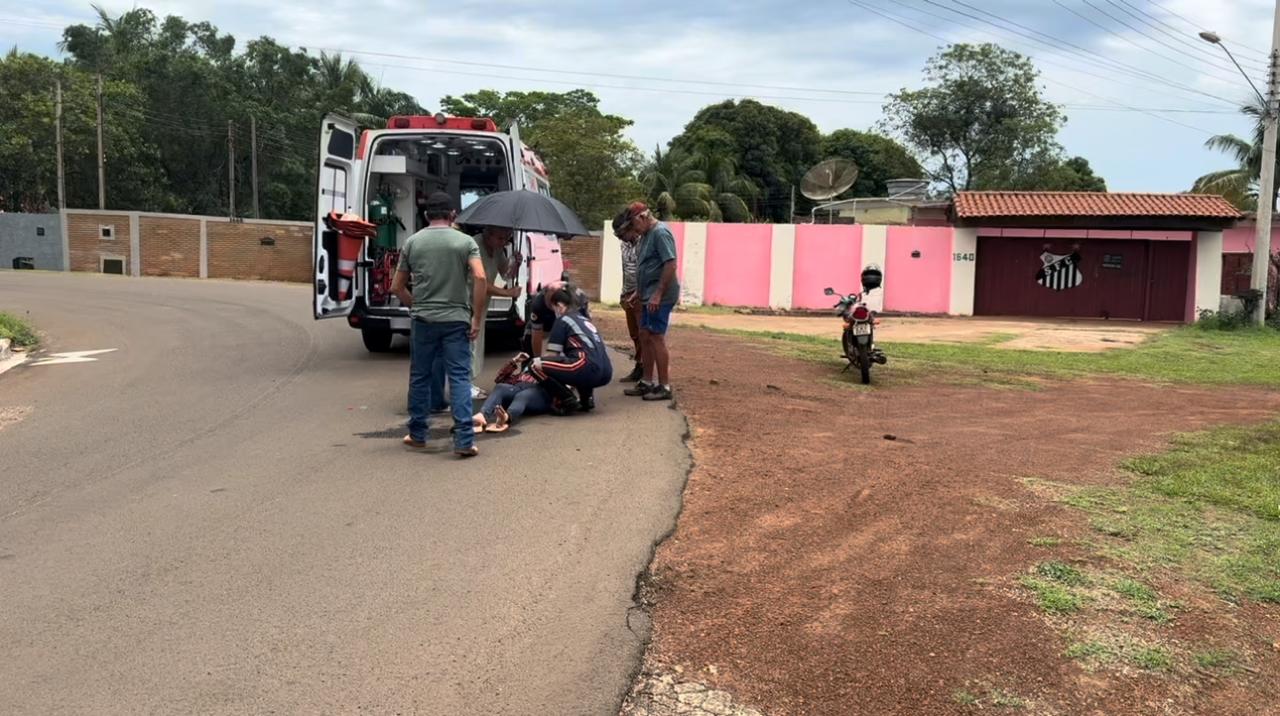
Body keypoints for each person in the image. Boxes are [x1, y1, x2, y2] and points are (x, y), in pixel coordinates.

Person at [391, 191, 488, 458]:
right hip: (456, 319)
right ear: (453, 214)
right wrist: (476, 317)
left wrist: (416, 305)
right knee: (459, 377)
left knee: (420, 376)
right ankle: (464, 439)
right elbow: (480, 277)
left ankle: (418, 434)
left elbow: (396, 287)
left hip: (424, 320)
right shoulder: (465, 242)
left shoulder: (412, 242)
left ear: (426, 215)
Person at [614, 202, 677, 402]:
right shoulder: (647, 235)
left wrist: (658, 294)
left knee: (656, 336)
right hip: (647, 293)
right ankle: (647, 381)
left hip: (660, 295)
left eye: (633, 225)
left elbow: (670, 264)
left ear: (642, 217)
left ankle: (664, 386)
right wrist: (639, 292)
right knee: (645, 335)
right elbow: (644, 267)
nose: (634, 230)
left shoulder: (660, 233)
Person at [529, 286, 613, 413]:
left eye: (554, 308)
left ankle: (567, 398)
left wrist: (534, 367)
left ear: (559, 305)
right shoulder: (583, 319)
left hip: (586, 367)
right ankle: (586, 399)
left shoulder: (563, 320)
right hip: (606, 372)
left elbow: (552, 355)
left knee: (534, 365)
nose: (554, 312)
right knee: (577, 358)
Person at [470, 225, 521, 398]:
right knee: (469, 343)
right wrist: (507, 293)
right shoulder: (474, 246)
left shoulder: (497, 249)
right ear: (488, 234)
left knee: (476, 343)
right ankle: (465, 385)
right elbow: (479, 281)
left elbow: (506, 274)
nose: (504, 242)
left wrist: (515, 264)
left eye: (507, 238)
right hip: (467, 302)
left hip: (481, 304)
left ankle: (468, 382)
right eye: (500, 238)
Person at [471, 353, 551, 433]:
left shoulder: (548, 375)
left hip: (538, 394)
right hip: (518, 388)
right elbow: (499, 379)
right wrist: (514, 361)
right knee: (500, 387)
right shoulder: (522, 375)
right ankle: (482, 415)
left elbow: (555, 387)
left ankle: (505, 417)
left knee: (524, 395)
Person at [612, 212, 644, 383]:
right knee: (634, 334)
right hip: (627, 293)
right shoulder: (624, 245)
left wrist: (639, 292)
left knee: (643, 334)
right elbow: (626, 269)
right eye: (617, 235)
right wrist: (623, 292)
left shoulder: (644, 243)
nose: (620, 238)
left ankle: (645, 369)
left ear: (630, 227)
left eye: (621, 233)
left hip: (640, 295)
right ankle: (639, 366)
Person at [525, 279, 591, 356]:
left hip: (572, 320)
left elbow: (587, 328)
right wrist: (537, 357)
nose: (553, 308)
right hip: (546, 326)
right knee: (529, 335)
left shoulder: (578, 299)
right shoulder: (538, 304)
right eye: (549, 304)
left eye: (554, 304)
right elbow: (536, 335)